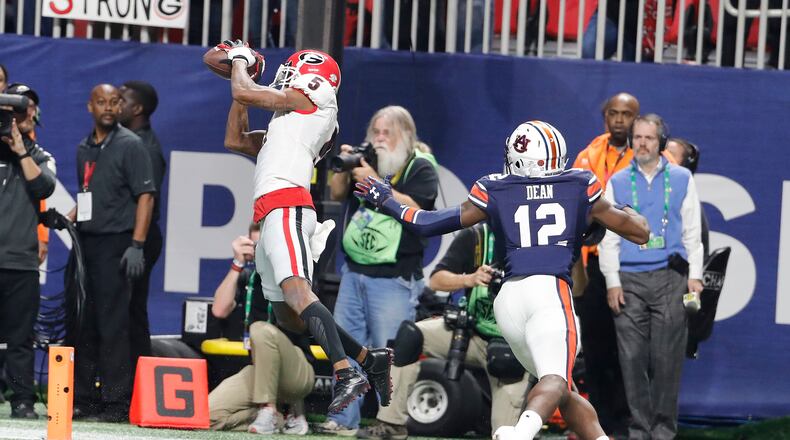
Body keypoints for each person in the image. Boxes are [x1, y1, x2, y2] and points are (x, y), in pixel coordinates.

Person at [354, 120, 650, 440]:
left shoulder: (495, 187)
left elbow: (425, 222)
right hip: (548, 291)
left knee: (560, 389)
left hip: (508, 300)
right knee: (556, 381)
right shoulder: (579, 184)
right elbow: (639, 232)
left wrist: (387, 199)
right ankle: (519, 433)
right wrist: (626, 211)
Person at [219, 41, 392, 415]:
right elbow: (235, 138)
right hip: (269, 214)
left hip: (288, 205)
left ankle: (346, 370)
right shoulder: (288, 123)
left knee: (298, 294)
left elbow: (243, 89)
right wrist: (244, 85)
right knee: (290, 316)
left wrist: (239, 62)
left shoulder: (317, 96)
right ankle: (369, 358)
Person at [320, 105, 439, 435]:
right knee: (345, 349)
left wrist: (374, 182)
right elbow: (338, 193)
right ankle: (342, 420)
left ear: (406, 134)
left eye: (387, 132)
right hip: (354, 272)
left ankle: (390, 424)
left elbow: (418, 210)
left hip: (394, 278)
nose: (379, 138)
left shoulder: (421, 166)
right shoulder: (366, 159)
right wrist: (345, 167)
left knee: (390, 354)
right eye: (375, 131)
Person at [357, 223, 530, 439]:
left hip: (514, 346)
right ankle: (392, 424)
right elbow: (436, 280)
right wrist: (470, 278)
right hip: (473, 332)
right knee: (410, 337)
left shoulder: (540, 243)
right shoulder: (477, 236)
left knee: (505, 434)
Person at [599, 114, 703, 439]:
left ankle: (663, 432)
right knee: (631, 359)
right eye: (638, 137)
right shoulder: (616, 181)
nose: (643, 143)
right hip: (629, 280)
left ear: (660, 142)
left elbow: (692, 232)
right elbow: (608, 238)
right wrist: (612, 282)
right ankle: (639, 431)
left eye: (649, 138)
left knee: (667, 359)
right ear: (631, 141)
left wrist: (695, 277)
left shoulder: (683, 177)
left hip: (671, 278)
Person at [66, 84, 155, 422]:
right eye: (101, 102)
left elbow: (146, 196)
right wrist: (68, 218)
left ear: (121, 107)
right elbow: (90, 193)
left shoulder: (131, 145)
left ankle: (116, 403)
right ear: (90, 106)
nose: (108, 107)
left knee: (113, 325)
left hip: (117, 242)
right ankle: (84, 400)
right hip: (86, 243)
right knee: (83, 322)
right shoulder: (83, 147)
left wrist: (136, 244)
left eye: (114, 102)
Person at [208, 223, 314, 435]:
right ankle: (280, 420)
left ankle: (269, 409)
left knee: (260, 329)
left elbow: (301, 324)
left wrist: (278, 280)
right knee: (208, 415)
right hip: (259, 372)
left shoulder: (296, 276)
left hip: (296, 374)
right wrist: (237, 263)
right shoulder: (249, 279)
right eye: (257, 247)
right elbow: (219, 310)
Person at [0, 101, 56, 419]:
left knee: (21, 338)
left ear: (31, 116)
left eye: (20, 113)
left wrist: (21, 150)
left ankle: (22, 400)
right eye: (7, 115)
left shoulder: (40, 155)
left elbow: (44, 187)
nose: (13, 120)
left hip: (21, 262)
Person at [117, 80, 167, 371]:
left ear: (137, 108)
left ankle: (132, 384)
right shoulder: (122, 141)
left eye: (121, 100)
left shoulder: (145, 147)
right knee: (121, 310)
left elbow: (146, 200)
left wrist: (136, 243)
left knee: (130, 310)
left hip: (140, 237)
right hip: (127, 235)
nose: (114, 104)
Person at [666, 137, 709, 258]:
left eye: (671, 155)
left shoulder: (688, 204)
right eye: (662, 153)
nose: (665, 158)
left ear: (685, 166)